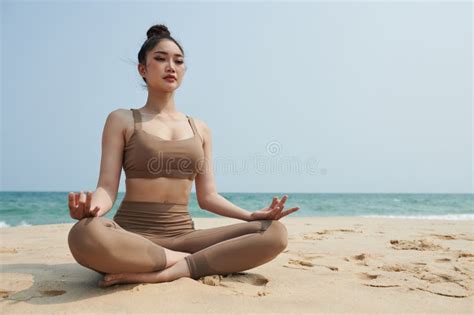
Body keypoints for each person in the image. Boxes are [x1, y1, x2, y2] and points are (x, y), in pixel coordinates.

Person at [67, 24, 300, 288]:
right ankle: (189, 262)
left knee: (274, 233)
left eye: (178, 61)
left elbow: (208, 197)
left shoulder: (199, 128)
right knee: (84, 234)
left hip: (184, 236)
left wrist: (249, 216)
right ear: (142, 69)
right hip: (131, 236)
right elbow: (107, 187)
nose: (171, 66)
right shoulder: (122, 119)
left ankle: (174, 268)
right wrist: (91, 210)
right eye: (160, 59)